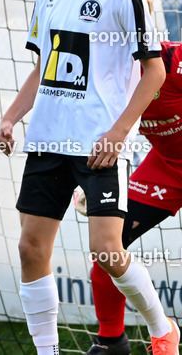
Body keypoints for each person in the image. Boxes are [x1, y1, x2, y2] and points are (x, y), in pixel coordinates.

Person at [0, 0, 178, 354]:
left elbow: (153, 72)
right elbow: (44, 68)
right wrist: (11, 117)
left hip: (98, 146)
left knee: (107, 252)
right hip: (47, 141)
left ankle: (162, 329)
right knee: (30, 249)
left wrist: (119, 133)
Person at [84, 39, 182, 355]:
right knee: (109, 247)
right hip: (167, 167)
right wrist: (87, 182)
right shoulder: (95, 69)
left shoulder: (172, 60)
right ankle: (112, 342)